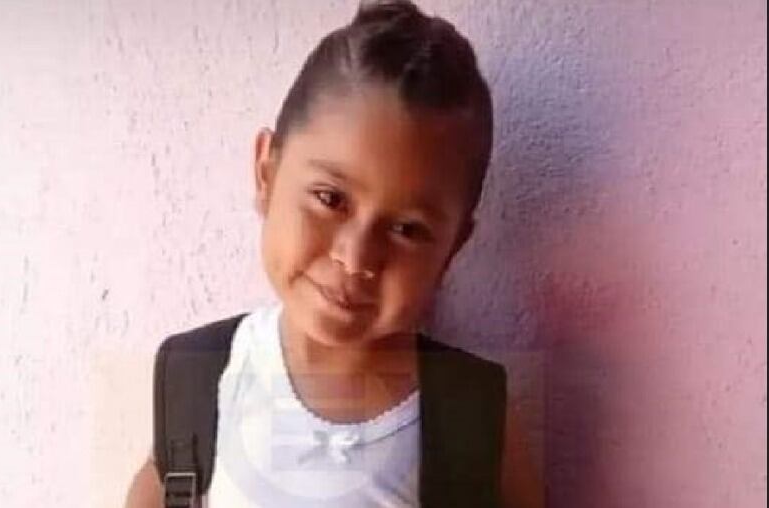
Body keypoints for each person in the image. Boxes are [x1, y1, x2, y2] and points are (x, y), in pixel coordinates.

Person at [126, 1, 543, 506]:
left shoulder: (473, 420)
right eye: (330, 199)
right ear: (266, 172)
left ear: (453, 247)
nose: (356, 257)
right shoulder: (198, 381)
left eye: (407, 229)